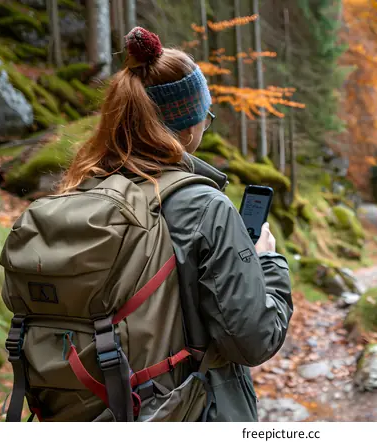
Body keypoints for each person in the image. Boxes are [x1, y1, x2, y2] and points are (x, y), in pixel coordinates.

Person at [58, 27, 293, 421]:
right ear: (187, 127)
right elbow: (254, 340)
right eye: (205, 116)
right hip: (183, 410)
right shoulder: (204, 206)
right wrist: (267, 263)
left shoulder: (79, 190)